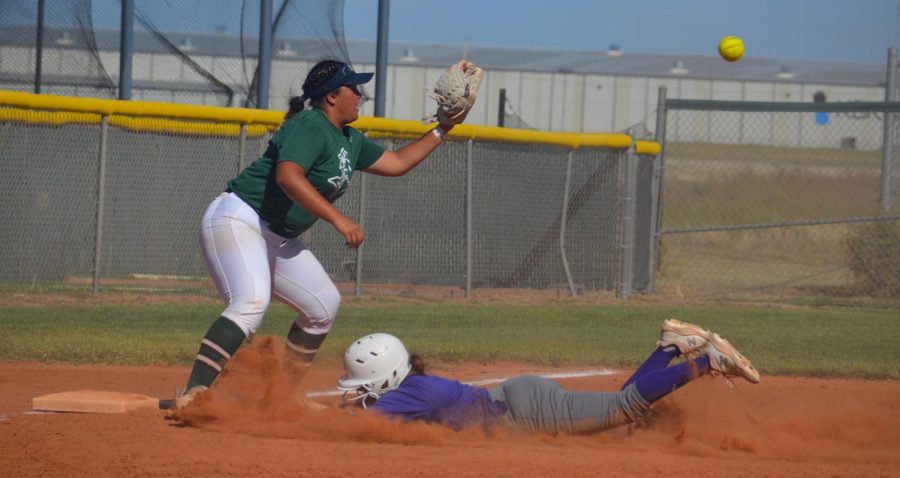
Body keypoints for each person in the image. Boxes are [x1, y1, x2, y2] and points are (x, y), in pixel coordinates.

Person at [176, 59, 466, 408]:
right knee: (251, 304)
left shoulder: (349, 139)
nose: (360, 95)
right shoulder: (310, 125)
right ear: (331, 97)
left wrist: (443, 128)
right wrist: (339, 220)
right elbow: (288, 177)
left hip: (276, 236)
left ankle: (279, 399)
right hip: (240, 219)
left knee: (323, 305)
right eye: (353, 88)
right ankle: (195, 392)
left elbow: (396, 164)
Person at [336, 319, 760, 434]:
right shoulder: (414, 385)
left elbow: (356, 427)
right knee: (620, 417)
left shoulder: (412, 395)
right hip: (520, 402)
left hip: (526, 413)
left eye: (362, 385)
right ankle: (669, 345)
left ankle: (707, 361)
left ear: (385, 377)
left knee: (623, 407)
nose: (357, 395)